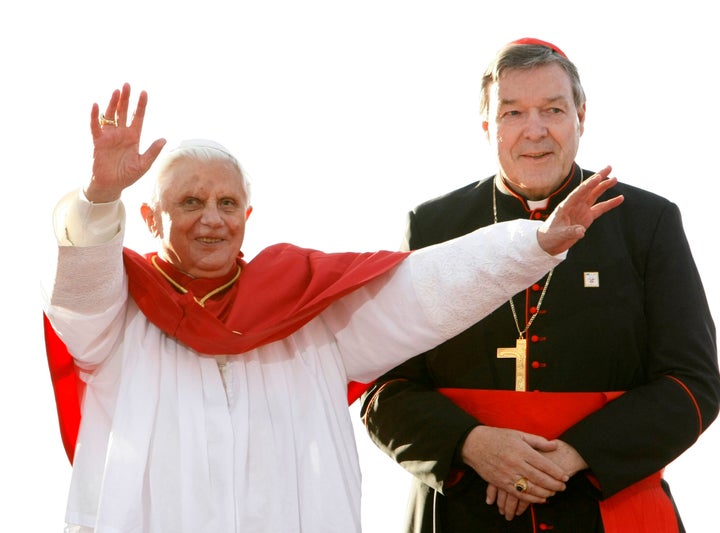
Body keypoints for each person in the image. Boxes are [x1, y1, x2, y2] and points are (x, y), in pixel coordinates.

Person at [41, 83, 621, 533]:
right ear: (149, 218)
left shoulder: (305, 304)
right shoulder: (119, 315)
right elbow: (79, 300)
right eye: (189, 202)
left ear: (249, 216)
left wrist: (535, 244)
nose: (211, 218)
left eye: (227, 202)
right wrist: (99, 198)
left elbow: (424, 288)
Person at [360, 37, 720, 533]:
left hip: (607, 505)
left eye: (552, 109)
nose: (535, 131)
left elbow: (692, 384)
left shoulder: (646, 222)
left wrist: (570, 457)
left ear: (581, 117)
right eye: (512, 113)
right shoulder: (433, 227)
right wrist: (475, 445)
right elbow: (385, 387)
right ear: (487, 124)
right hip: (463, 508)